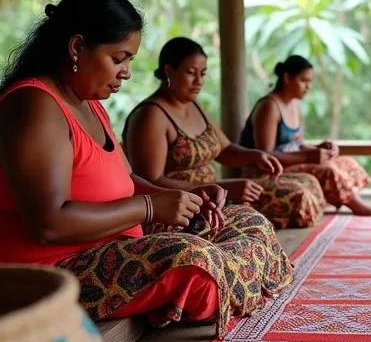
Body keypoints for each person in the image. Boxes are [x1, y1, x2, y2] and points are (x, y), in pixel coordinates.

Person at [0, 0, 292, 339]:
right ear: (77, 47)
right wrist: (150, 207)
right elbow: (49, 223)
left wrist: (189, 199)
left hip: (109, 247)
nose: (125, 72)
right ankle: (225, 282)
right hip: (43, 274)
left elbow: (126, 180)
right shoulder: (34, 105)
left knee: (247, 221)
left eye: (129, 61)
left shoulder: (88, 104)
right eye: (118, 58)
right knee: (195, 259)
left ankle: (211, 284)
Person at [123, 38, 326, 230]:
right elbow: (151, 181)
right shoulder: (151, 116)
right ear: (169, 71)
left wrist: (254, 156)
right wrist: (221, 187)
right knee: (257, 222)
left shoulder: (195, 106)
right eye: (191, 73)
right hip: (181, 208)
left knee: (306, 184)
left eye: (203, 73)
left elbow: (225, 149)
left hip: (215, 196)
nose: (199, 81)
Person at [240, 55, 371, 216]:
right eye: (304, 81)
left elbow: (295, 144)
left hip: (290, 162)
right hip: (267, 170)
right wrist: (308, 156)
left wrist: (318, 149)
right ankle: (357, 206)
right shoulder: (269, 107)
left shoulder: (294, 104)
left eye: (310, 81)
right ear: (287, 78)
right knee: (328, 170)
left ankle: (347, 199)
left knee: (346, 162)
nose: (308, 86)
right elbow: (266, 156)